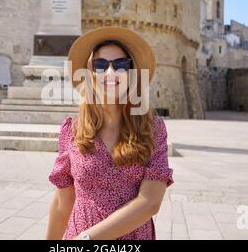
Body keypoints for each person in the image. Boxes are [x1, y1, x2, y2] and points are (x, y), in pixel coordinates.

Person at [46, 26, 174, 240]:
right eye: (100, 65)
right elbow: (62, 202)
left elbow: (150, 202)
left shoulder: (152, 128)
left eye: (121, 65)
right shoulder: (73, 129)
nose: (111, 73)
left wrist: (88, 239)